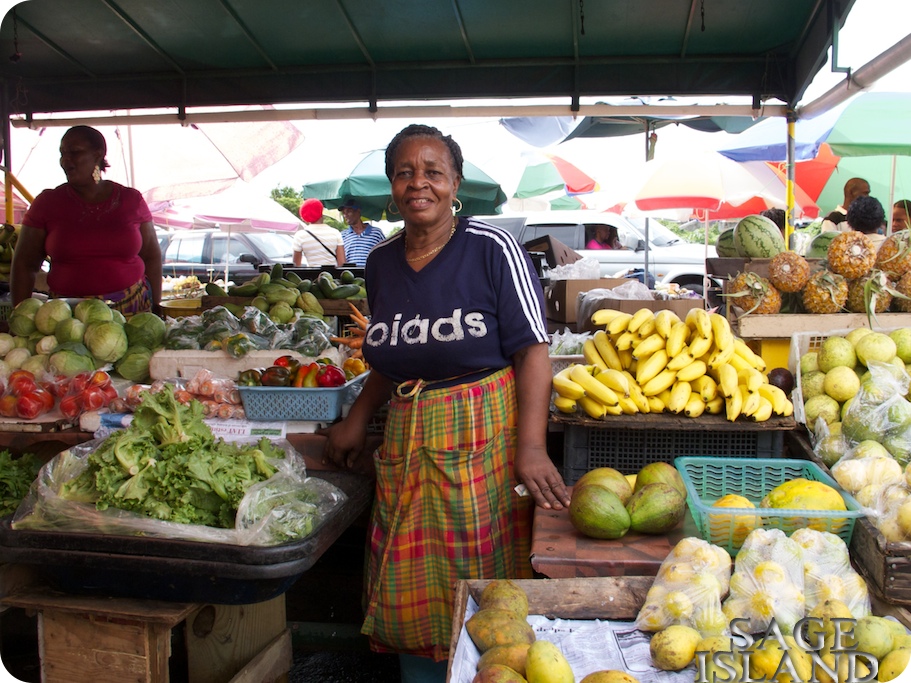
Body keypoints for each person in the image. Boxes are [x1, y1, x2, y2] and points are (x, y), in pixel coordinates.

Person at [321, 124, 568, 680]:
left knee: (479, 581)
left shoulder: (491, 249)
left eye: (434, 171)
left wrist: (530, 448)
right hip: (407, 437)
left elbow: (533, 351)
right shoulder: (381, 262)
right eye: (405, 172)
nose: (419, 183)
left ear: (455, 183)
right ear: (391, 186)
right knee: (411, 581)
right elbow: (390, 354)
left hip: (481, 437)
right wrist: (357, 419)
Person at [11, 126, 162, 315]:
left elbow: (152, 257)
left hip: (132, 310)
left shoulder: (131, 200)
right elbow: (25, 265)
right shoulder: (47, 203)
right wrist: (19, 315)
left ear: (98, 154)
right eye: (62, 153)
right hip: (66, 317)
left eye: (74, 152)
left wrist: (157, 307)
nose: (66, 160)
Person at [292, 198, 345, 267]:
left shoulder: (300, 236)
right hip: (332, 276)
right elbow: (342, 263)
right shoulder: (335, 233)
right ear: (321, 213)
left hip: (312, 276)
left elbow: (296, 265)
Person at [339, 198, 387, 266]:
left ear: (358, 211)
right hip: (350, 275)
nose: (345, 215)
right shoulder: (342, 235)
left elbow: (385, 254)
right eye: (343, 213)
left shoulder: (376, 233)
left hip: (370, 274)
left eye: (349, 211)